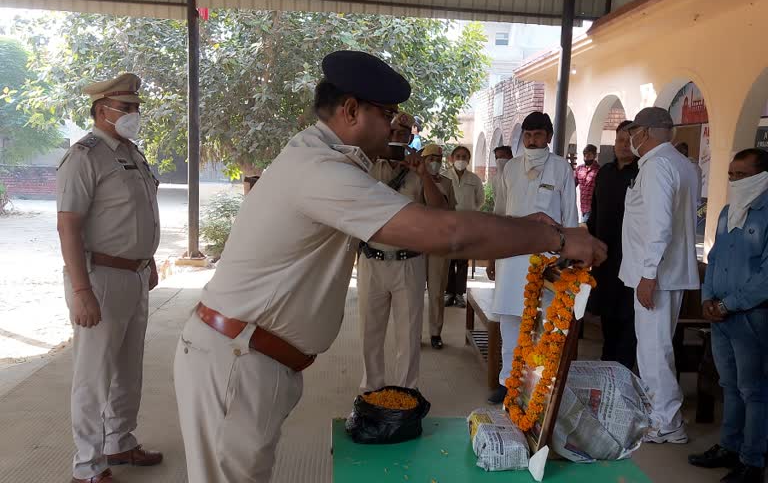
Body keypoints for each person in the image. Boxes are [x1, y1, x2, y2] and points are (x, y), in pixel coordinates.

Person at [173, 50, 606, 483]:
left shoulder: (325, 158)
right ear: (350, 111)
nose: (398, 126)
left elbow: (441, 218)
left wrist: (525, 225)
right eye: (388, 114)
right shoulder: (319, 169)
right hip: (237, 356)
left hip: (256, 356)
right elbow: (445, 234)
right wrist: (559, 238)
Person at [57, 73, 163, 483]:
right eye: (128, 108)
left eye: (136, 107)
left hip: (134, 275)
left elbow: (136, 215)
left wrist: (148, 260)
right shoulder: (84, 156)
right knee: (94, 374)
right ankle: (87, 465)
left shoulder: (132, 154)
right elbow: (69, 226)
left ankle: (119, 441)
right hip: (99, 277)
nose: (135, 114)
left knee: (128, 367)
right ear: (103, 111)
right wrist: (81, 290)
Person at [486, 111, 579, 404]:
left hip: (548, 260)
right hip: (511, 257)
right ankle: (507, 382)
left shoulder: (561, 168)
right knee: (510, 322)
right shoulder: (510, 168)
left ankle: (540, 385)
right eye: (528, 135)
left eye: (538, 134)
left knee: (544, 323)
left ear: (549, 137)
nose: (532, 140)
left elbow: (570, 215)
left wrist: (570, 257)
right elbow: (499, 214)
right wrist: (491, 254)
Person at [620, 107, 700, 444]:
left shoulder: (656, 167)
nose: (630, 139)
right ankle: (662, 416)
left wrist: (648, 274)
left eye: (633, 132)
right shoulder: (683, 163)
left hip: (656, 274)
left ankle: (666, 422)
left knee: (653, 350)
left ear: (645, 132)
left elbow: (659, 225)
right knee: (658, 347)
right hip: (668, 271)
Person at [688, 149, 768, 483]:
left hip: (751, 316)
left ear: (761, 177)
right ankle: (729, 447)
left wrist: (728, 304)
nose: (734, 180)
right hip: (719, 315)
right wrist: (708, 300)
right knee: (729, 386)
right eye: (731, 174)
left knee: (754, 390)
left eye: (742, 175)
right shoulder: (725, 212)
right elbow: (715, 257)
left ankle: (752, 460)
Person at [358, 112, 448, 392]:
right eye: (394, 132)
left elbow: (441, 210)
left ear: (411, 138)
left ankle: (406, 394)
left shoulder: (419, 168)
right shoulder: (367, 163)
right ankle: (370, 393)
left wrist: (423, 173)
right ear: (386, 131)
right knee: (369, 334)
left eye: (404, 135)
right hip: (372, 259)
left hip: (409, 262)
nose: (398, 138)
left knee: (408, 336)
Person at [586, 121, 638, 369]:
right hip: (604, 256)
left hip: (631, 257)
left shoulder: (642, 174)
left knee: (628, 316)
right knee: (607, 313)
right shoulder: (604, 172)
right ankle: (608, 364)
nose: (624, 146)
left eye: (629, 141)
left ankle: (624, 369)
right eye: (620, 140)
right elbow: (595, 213)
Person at [421, 144, 457, 349]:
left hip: (439, 243)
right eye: (430, 158)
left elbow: (451, 212)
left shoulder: (447, 183)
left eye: (438, 158)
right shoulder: (414, 180)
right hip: (416, 243)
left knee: (436, 292)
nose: (434, 162)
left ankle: (435, 333)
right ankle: (414, 333)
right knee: (414, 292)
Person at [443, 146, 485, 309]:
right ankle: (449, 293)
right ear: (451, 158)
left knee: (462, 260)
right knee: (448, 260)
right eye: (458, 156)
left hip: (466, 225)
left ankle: (459, 294)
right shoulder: (444, 176)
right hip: (447, 224)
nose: (461, 159)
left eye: (464, 157)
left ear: (468, 160)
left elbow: (480, 200)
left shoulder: (474, 179)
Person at [574, 143, 600, 223]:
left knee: (585, 229)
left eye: (589, 154)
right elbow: (572, 185)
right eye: (585, 154)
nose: (586, 156)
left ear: (594, 155)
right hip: (583, 207)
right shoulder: (579, 169)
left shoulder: (599, 170)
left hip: (593, 207)